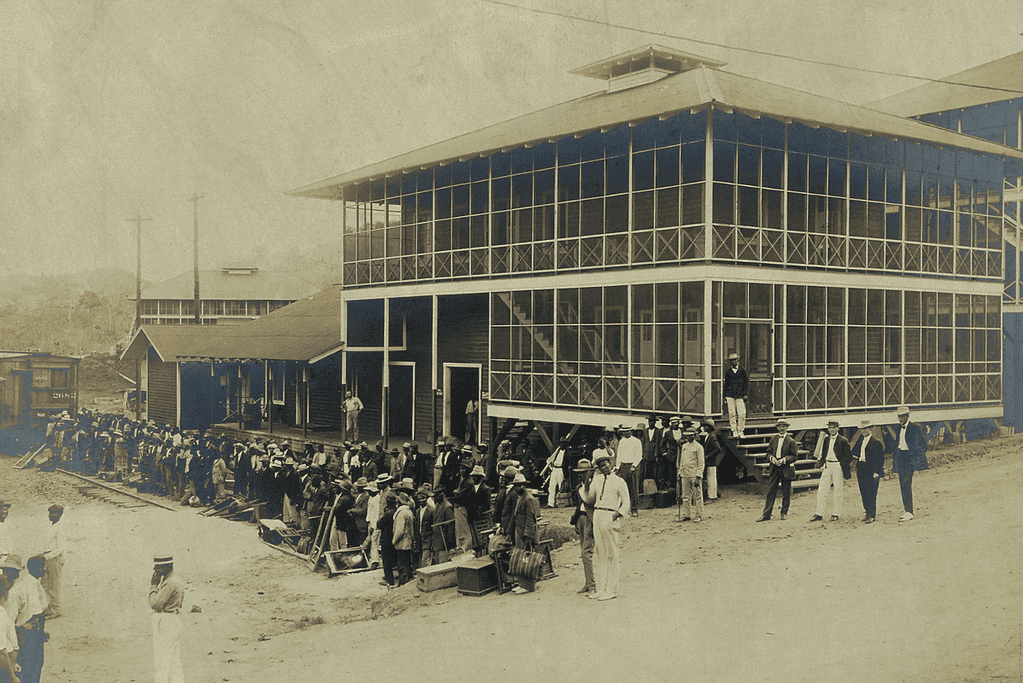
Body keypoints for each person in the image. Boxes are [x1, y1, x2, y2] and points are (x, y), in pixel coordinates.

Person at [149, 553, 185, 683]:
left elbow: (154, 604)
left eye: (158, 568)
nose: (155, 571)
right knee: (174, 664)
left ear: (165, 567)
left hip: (165, 622)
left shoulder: (169, 583)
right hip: (174, 620)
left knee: (161, 664)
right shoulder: (175, 580)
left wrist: (153, 586)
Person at [504, 473, 540, 594]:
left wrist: (528, 536)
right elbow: (514, 517)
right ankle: (522, 583)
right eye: (515, 486)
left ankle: (529, 586)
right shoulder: (520, 498)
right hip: (518, 533)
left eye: (519, 485)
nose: (516, 488)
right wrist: (509, 533)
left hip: (525, 534)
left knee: (527, 560)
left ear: (524, 486)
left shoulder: (529, 499)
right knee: (520, 559)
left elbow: (530, 520)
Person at [757, 419, 799, 522]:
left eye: (783, 426)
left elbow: (794, 456)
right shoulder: (773, 439)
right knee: (771, 491)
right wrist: (772, 458)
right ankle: (766, 514)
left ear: (787, 428)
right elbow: (768, 453)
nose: (781, 428)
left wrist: (784, 460)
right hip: (774, 468)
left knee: (786, 492)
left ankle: (784, 512)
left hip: (786, 468)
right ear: (777, 428)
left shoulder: (791, 441)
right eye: (780, 426)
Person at [811, 420, 852, 522]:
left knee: (838, 490)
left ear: (838, 428)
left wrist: (841, 464)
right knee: (822, 490)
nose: (832, 429)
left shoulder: (843, 440)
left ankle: (835, 513)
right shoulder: (826, 439)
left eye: (834, 427)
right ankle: (819, 513)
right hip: (827, 465)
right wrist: (822, 464)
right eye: (830, 428)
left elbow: (849, 456)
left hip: (837, 465)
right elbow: (824, 453)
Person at [892, 406, 928, 522]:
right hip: (901, 457)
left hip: (910, 458)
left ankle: (909, 511)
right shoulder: (898, 428)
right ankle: (907, 510)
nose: (900, 419)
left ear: (908, 416)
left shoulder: (915, 428)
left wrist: (915, 457)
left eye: (902, 416)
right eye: (899, 416)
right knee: (902, 484)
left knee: (906, 483)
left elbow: (923, 444)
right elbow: (897, 443)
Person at [571, 458, 596, 595]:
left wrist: (593, 523)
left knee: (586, 553)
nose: (581, 475)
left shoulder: (595, 486)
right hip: (580, 518)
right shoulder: (578, 487)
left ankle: (592, 585)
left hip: (590, 519)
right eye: (579, 473)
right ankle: (587, 583)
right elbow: (578, 506)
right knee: (583, 552)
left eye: (584, 472)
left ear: (590, 472)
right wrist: (576, 521)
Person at [855, 419, 885, 524]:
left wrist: (877, 472)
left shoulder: (876, 442)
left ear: (870, 429)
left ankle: (872, 515)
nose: (863, 431)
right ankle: (867, 513)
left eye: (865, 429)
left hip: (871, 470)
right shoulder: (861, 441)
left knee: (871, 492)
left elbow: (880, 459)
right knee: (863, 491)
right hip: (862, 468)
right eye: (861, 429)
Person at [40, 504, 65, 619]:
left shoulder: (60, 528)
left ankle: (56, 609)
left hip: (54, 558)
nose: (51, 516)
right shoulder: (52, 526)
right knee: (45, 584)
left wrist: (47, 556)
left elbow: (60, 548)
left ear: (59, 515)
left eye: (54, 513)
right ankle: (48, 607)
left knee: (54, 584)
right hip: (47, 557)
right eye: (50, 513)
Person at [676, 428, 705, 523]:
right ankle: (686, 515)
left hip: (694, 475)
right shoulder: (684, 446)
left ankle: (699, 515)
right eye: (687, 436)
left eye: (690, 435)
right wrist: (680, 472)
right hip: (685, 474)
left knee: (697, 496)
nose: (688, 437)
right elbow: (682, 460)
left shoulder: (698, 447)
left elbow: (701, 463)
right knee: (685, 496)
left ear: (694, 435)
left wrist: (698, 476)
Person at [616, 425, 642, 516]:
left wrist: (634, 466)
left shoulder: (636, 441)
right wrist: (617, 467)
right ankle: (621, 510)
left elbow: (639, 455)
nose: (626, 433)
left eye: (628, 431)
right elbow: (619, 455)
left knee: (633, 489)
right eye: (624, 431)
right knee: (622, 488)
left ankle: (634, 509)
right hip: (623, 466)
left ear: (631, 431)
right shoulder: (621, 441)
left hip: (632, 466)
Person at [723, 352, 749, 439]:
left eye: (735, 360)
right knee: (732, 413)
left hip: (740, 395)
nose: (733, 362)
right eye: (732, 360)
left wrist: (745, 394)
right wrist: (725, 396)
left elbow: (746, 382)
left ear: (738, 360)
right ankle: (734, 430)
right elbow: (726, 384)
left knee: (742, 414)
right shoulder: (728, 372)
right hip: (730, 395)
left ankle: (740, 430)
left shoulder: (742, 370)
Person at [0, 572, 20, 683]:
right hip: (4, 670)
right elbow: (1, 652)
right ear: (5, 593)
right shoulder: (0, 614)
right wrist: (12, 677)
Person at [392, 492, 415, 585]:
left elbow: (400, 530)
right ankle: (407, 579)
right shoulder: (408, 511)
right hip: (408, 541)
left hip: (402, 542)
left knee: (402, 564)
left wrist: (394, 541)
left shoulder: (401, 513)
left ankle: (403, 582)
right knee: (407, 562)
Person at [700, 420, 723, 502]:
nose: (704, 427)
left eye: (706, 426)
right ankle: (714, 494)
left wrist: (708, 456)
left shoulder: (712, 437)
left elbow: (718, 449)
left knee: (711, 479)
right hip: (710, 461)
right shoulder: (708, 436)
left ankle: (712, 497)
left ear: (709, 427)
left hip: (711, 462)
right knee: (710, 478)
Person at [543, 438, 568, 508]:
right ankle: (550, 503)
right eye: (560, 443)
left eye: (562, 443)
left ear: (565, 444)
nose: (561, 445)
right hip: (554, 469)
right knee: (551, 486)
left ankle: (559, 502)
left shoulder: (567, 452)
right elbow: (551, 459)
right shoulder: (556, 452)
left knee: (561, 486)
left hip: (561, 469)